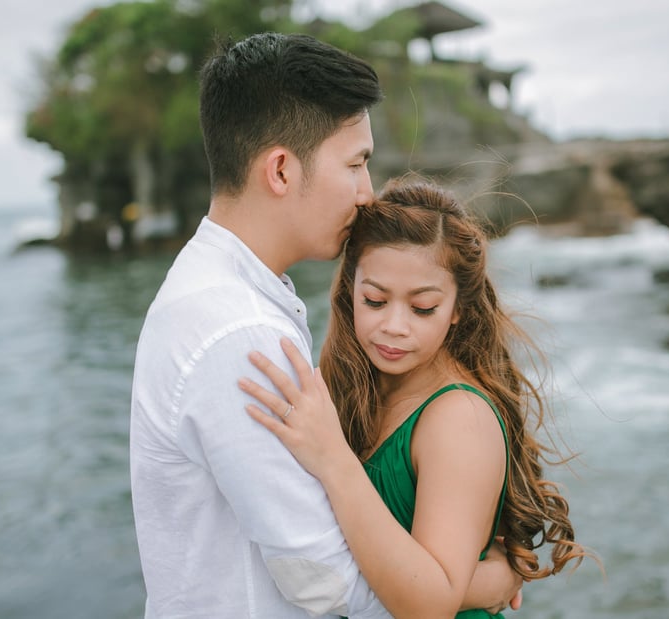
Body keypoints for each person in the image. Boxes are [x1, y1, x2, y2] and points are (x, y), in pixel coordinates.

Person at [130, 33, 521, 618]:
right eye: (356, 163)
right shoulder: (239, 335)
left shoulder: (213, 293)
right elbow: (325, 581)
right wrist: (488, 582)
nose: (367, 194)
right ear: (282, 170)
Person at [240, 178, 588, 618]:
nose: (395, 326)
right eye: (375, 300)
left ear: (458, 308)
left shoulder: (460, 417)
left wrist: (333, 459)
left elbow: (428, 606)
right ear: (351, 291)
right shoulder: (353, 388)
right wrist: (486, 582)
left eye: (423, 308)